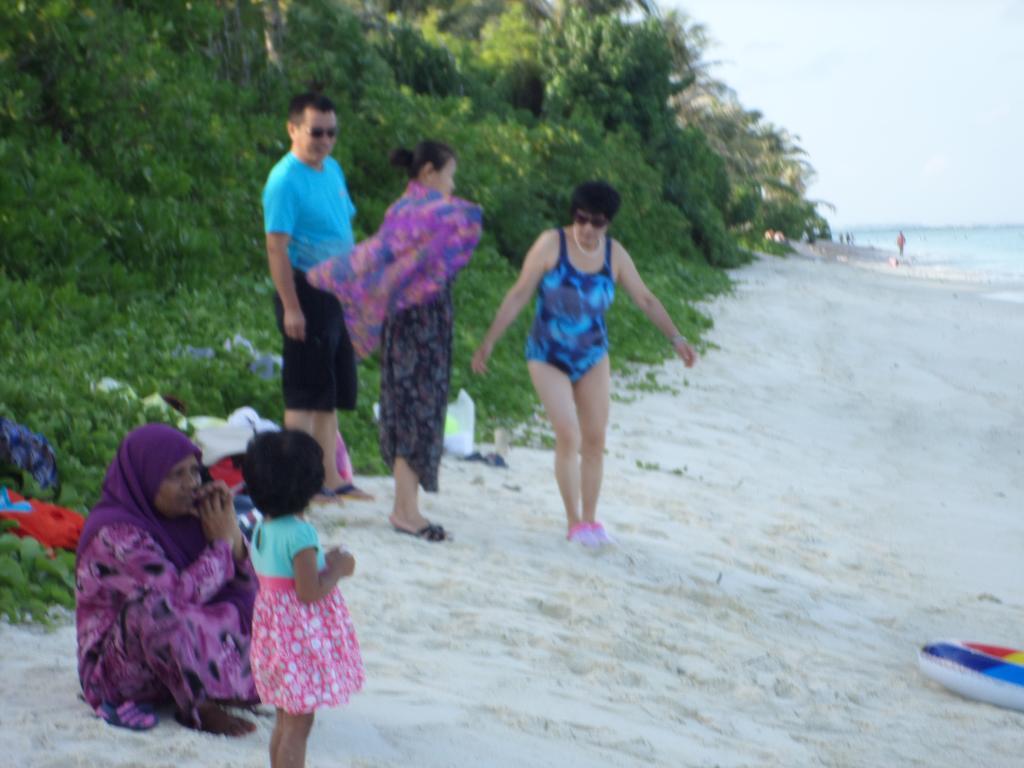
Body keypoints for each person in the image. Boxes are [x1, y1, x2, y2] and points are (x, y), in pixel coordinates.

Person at [471, 181, 698, 547]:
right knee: (569, 434)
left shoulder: (614, 254)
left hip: (593, 354)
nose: (588, 228)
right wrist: (488, 342)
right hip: (547, 354)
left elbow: (645, 298)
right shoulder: (551, 244)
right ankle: (573, 521)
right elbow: (519, 293)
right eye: (581, 218)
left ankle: (591, 520)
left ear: (608, 223)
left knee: (594, 440)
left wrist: (677, 338)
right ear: (572, 215)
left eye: (598, 222)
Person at [307, 141, 482, 542]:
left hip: (411, 320)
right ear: (428, 173)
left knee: (411, 407)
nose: (453, 184)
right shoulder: (427, 212)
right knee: (417, 410)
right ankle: (405, 511)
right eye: (449, 174)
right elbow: (468, 217)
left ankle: (407, 507)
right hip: (421, 322)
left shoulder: (401, 211)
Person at [75, 424, 258, 735]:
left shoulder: (189, 519)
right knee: (156, 608)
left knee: (272, 603)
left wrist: (235, 543)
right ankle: (199, 706)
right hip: (116, 674)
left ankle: (222, 687)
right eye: (176, 475)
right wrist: (221, 548)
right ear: (145, 477)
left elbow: (246, 593)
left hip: (168, 668)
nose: (191, 484)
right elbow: (171, 598)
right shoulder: (115, 534)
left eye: (195, 472)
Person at [262, 92, 371, 503]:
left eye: (331, 132)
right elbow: (276, 246)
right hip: (304, 289)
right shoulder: (284, 179)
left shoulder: (332, 169)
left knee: (330, 391)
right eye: (316, 132)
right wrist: (291, 306)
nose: (325, 140)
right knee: (304, 392)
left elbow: (343, 229)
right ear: (293, 130)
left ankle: (332, 477)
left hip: (337, 291)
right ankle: (297, 484)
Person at [243, 430, 364, 768]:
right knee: (299, 723)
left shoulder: (263, 528)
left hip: (273, 635)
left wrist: (322, 559)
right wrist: (338, 568)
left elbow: (285, 573)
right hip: (298, 639)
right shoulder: (300, 532)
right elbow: (309, 591)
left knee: (285, 719)